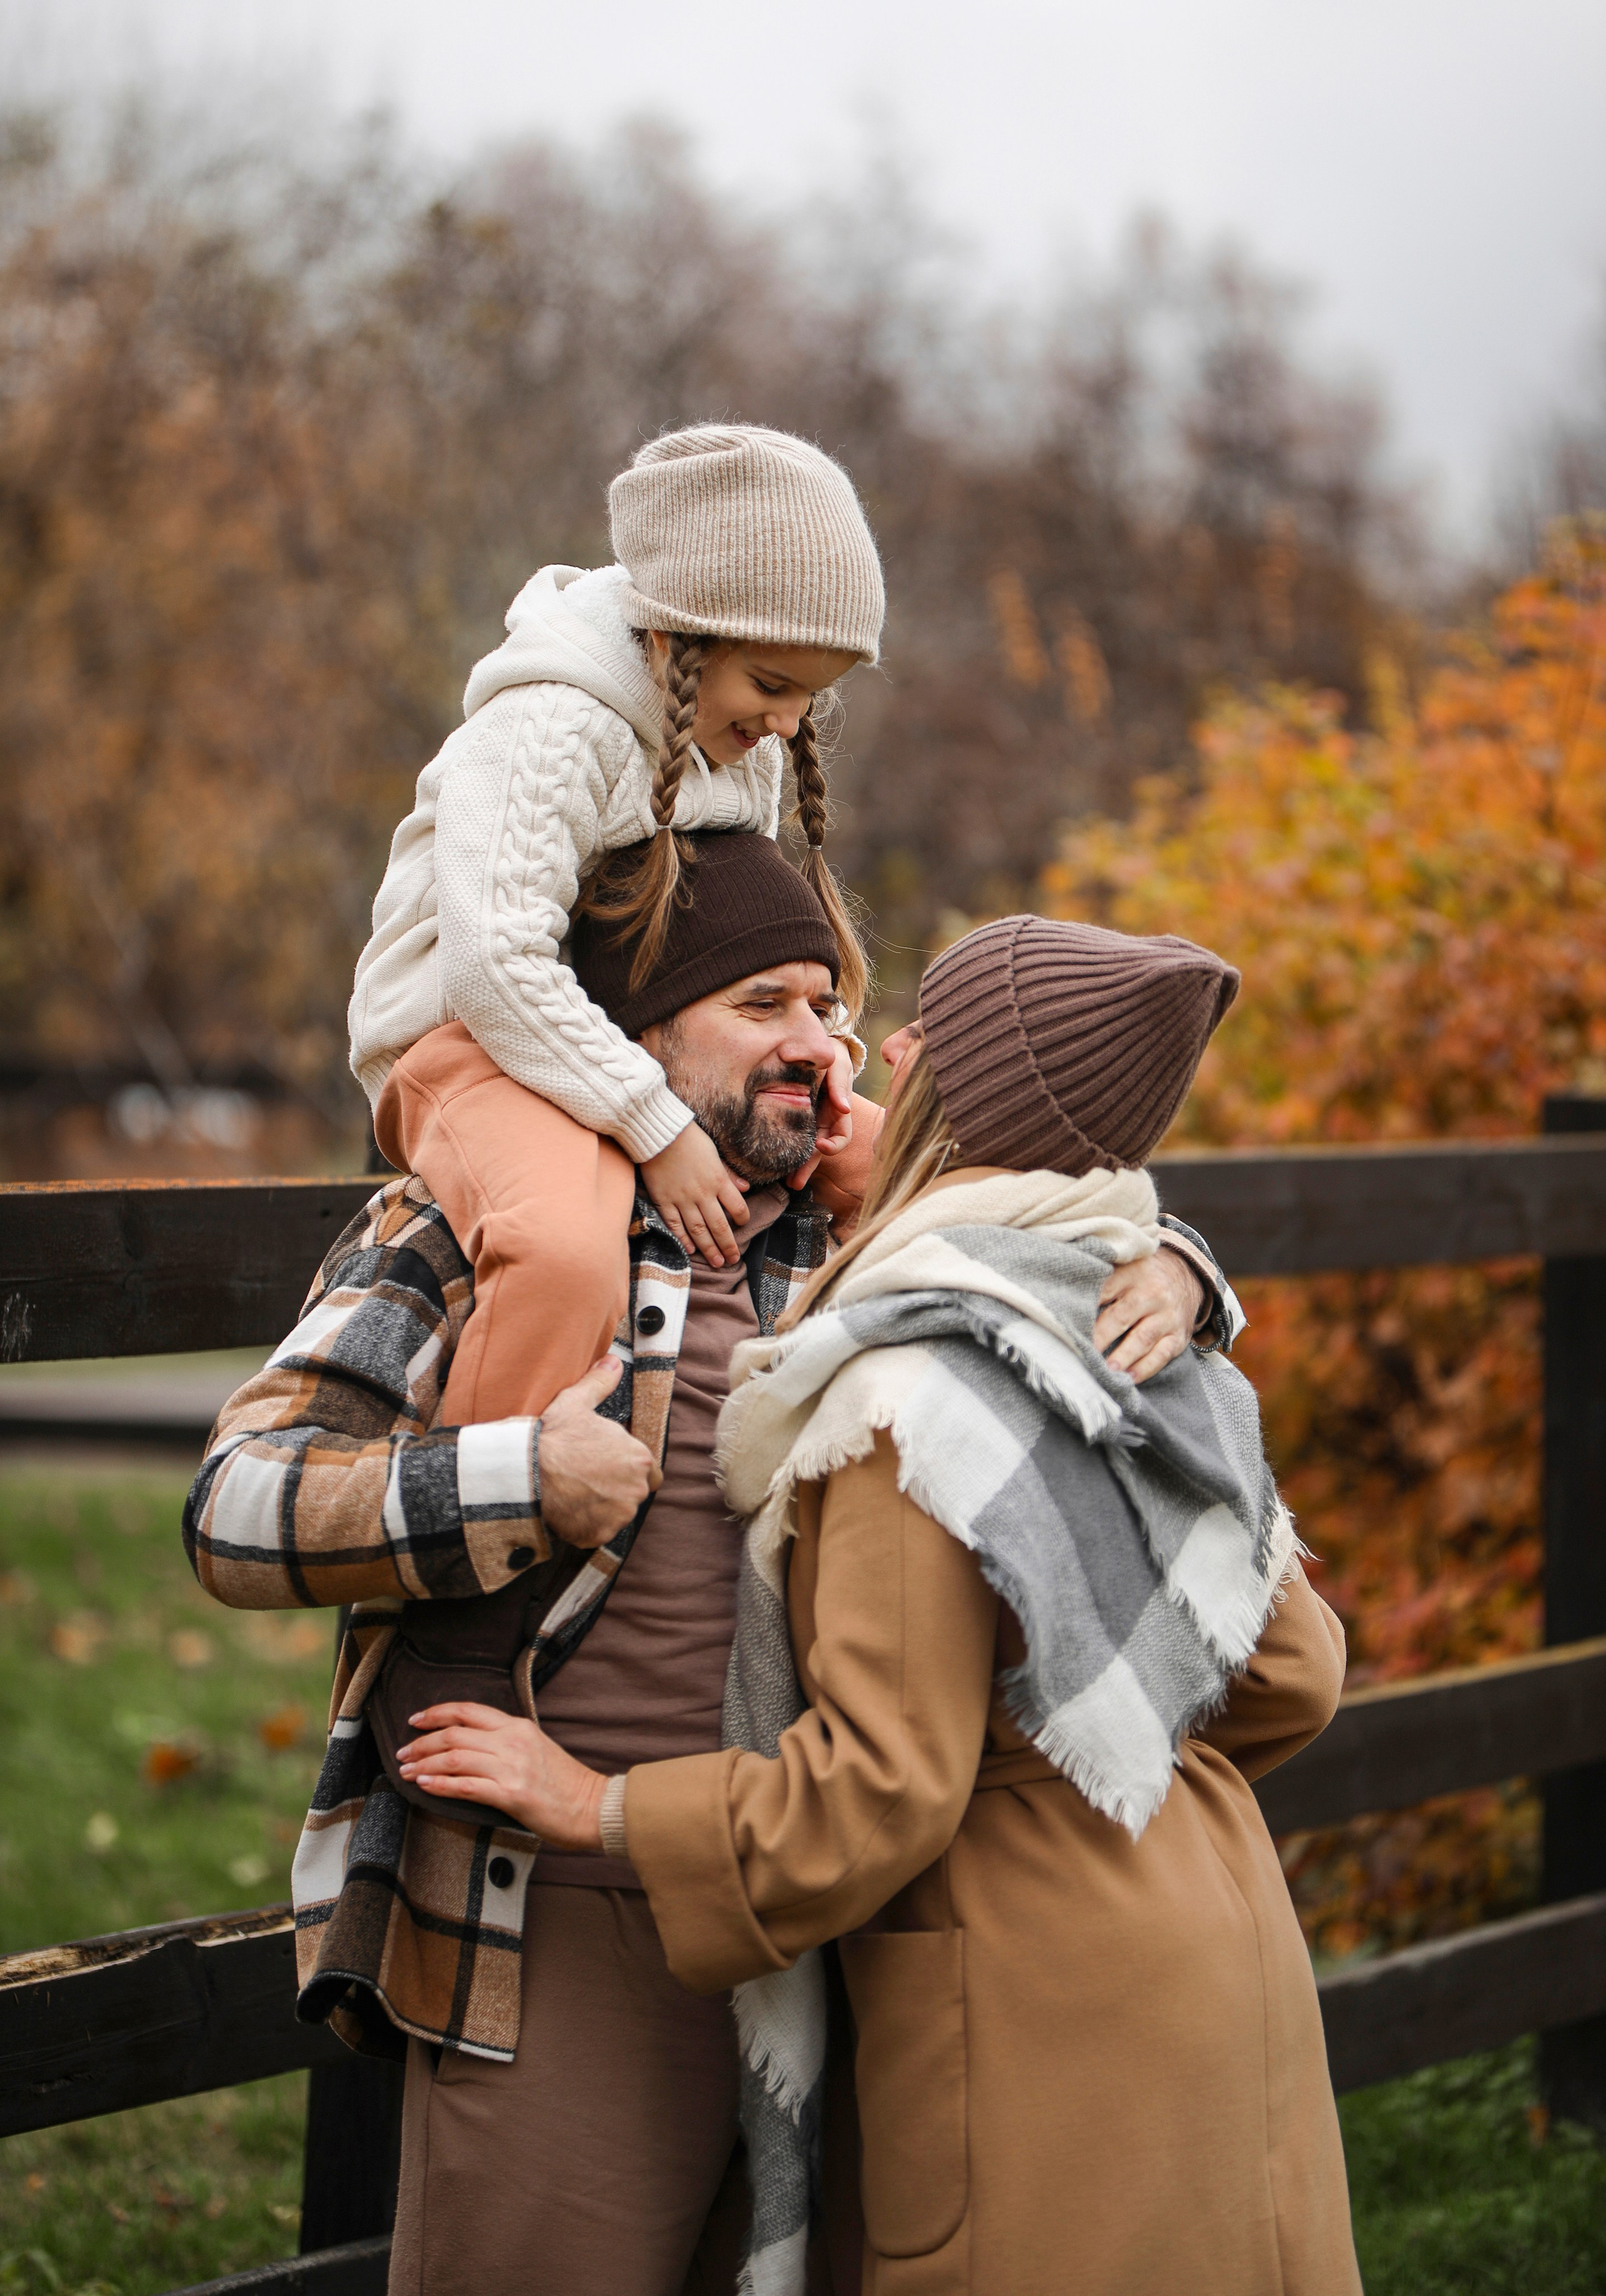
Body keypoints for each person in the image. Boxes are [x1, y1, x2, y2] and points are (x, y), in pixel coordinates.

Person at [185, 849, 1230, 2296]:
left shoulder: (860, 1230)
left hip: (819, 1913)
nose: (817, 1041)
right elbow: (235, 1505)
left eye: (827, 1004)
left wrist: (1178, 1266)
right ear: (634, 1037)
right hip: (555, 1916)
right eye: (760, 1003)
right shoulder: (474, 1227)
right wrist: (519, 1478)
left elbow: (1060, 1205)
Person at [398, 913, 1362, 2296]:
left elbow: (882, 1792)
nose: (870, 1048)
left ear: (961, 1103)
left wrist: (593, 1802)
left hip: (1035, 1995)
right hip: (1221, 1936)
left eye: (920, 1033)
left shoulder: (904, 1395)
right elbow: (1295, 1677)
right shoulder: (1133, 1328)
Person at [349, 422, 888, 1443]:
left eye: (810, 696)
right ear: (675, 642)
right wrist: (659, 1128)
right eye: (771, 685)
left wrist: (817, 1053)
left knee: (883, 1160)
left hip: (613, 1025)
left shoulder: (738, 738)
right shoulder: (552, 725)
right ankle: (508, 1489)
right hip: (462, 1039)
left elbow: (731, 931)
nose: (787, 722)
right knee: (562, 1242)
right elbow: (495, 966)